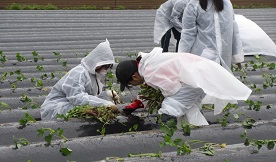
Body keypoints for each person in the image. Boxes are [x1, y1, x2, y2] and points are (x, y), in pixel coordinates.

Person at [116, 47, 252, 126]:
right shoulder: (148, 64)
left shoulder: (149, 72)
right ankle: (195, 131)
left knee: (170, 108)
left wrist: (162, 101)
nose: (133, 86)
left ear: (134, 77)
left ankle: (164, 137)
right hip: (197, 75)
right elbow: (153, 88)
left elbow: (173, 90)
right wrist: (137, 103)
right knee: (189, 110)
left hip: (192, 79)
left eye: (130, 84)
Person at [40, 39, 120, 120]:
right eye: (105, 66)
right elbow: (78, 98)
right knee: (90, 110)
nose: (105, 69)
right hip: (55, 110)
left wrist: (107, 95)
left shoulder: (93, 76)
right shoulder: (79, 73)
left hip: (68, 106)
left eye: (108, 67)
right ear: (97, 62)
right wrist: (105, 104)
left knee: (97, 109)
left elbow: (92, 97)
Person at [178, 0, 244, 72]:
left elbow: (233, 30)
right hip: (203, 59)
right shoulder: (194, 5)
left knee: (220, 81)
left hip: (224, 58)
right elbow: (188, 34)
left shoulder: (226, 4)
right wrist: (182, 58)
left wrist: (237, 57)